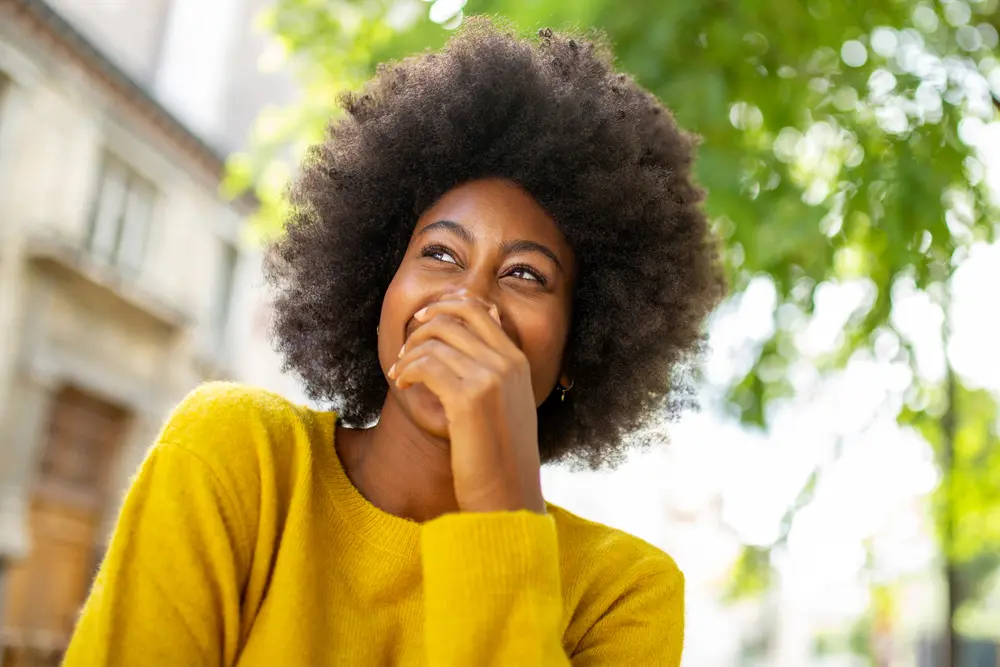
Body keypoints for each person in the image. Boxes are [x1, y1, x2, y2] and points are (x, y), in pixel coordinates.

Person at [64, 18, 724, 667]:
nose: (470, 299)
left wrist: (501, 503)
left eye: (526, 273)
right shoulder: (238, 456)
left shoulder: (622, 593)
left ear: (578, 351)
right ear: (381, 291)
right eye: (440, 252)